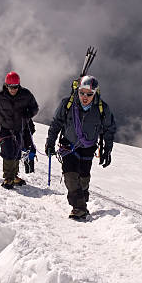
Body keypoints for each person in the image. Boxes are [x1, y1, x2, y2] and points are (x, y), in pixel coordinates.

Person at [45, 75, 116, 219]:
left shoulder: (102, 108)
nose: (85, 96)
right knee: (70, 176)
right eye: (82, 92)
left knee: (83, 179)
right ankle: (79, 207)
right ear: (77, 90)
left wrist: (107, 150)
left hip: (88, 148)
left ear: (95, 93)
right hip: (68, 145)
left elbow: (109, 129)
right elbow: (56, 123)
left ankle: (82, 201)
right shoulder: (68, 104)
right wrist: (50, 142)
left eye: (89, 94)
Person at [0, 71, 39, 189]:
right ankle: (8, 177)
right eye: (11, 87)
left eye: (16, 87)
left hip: (19, 128)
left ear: (19, 85)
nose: (13, 90)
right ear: (6, 85)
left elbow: (35, 108)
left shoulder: (26, 95)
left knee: (17, 152)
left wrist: (27, 114)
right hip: (4, 128)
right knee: (8, 151)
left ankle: (14, 176)